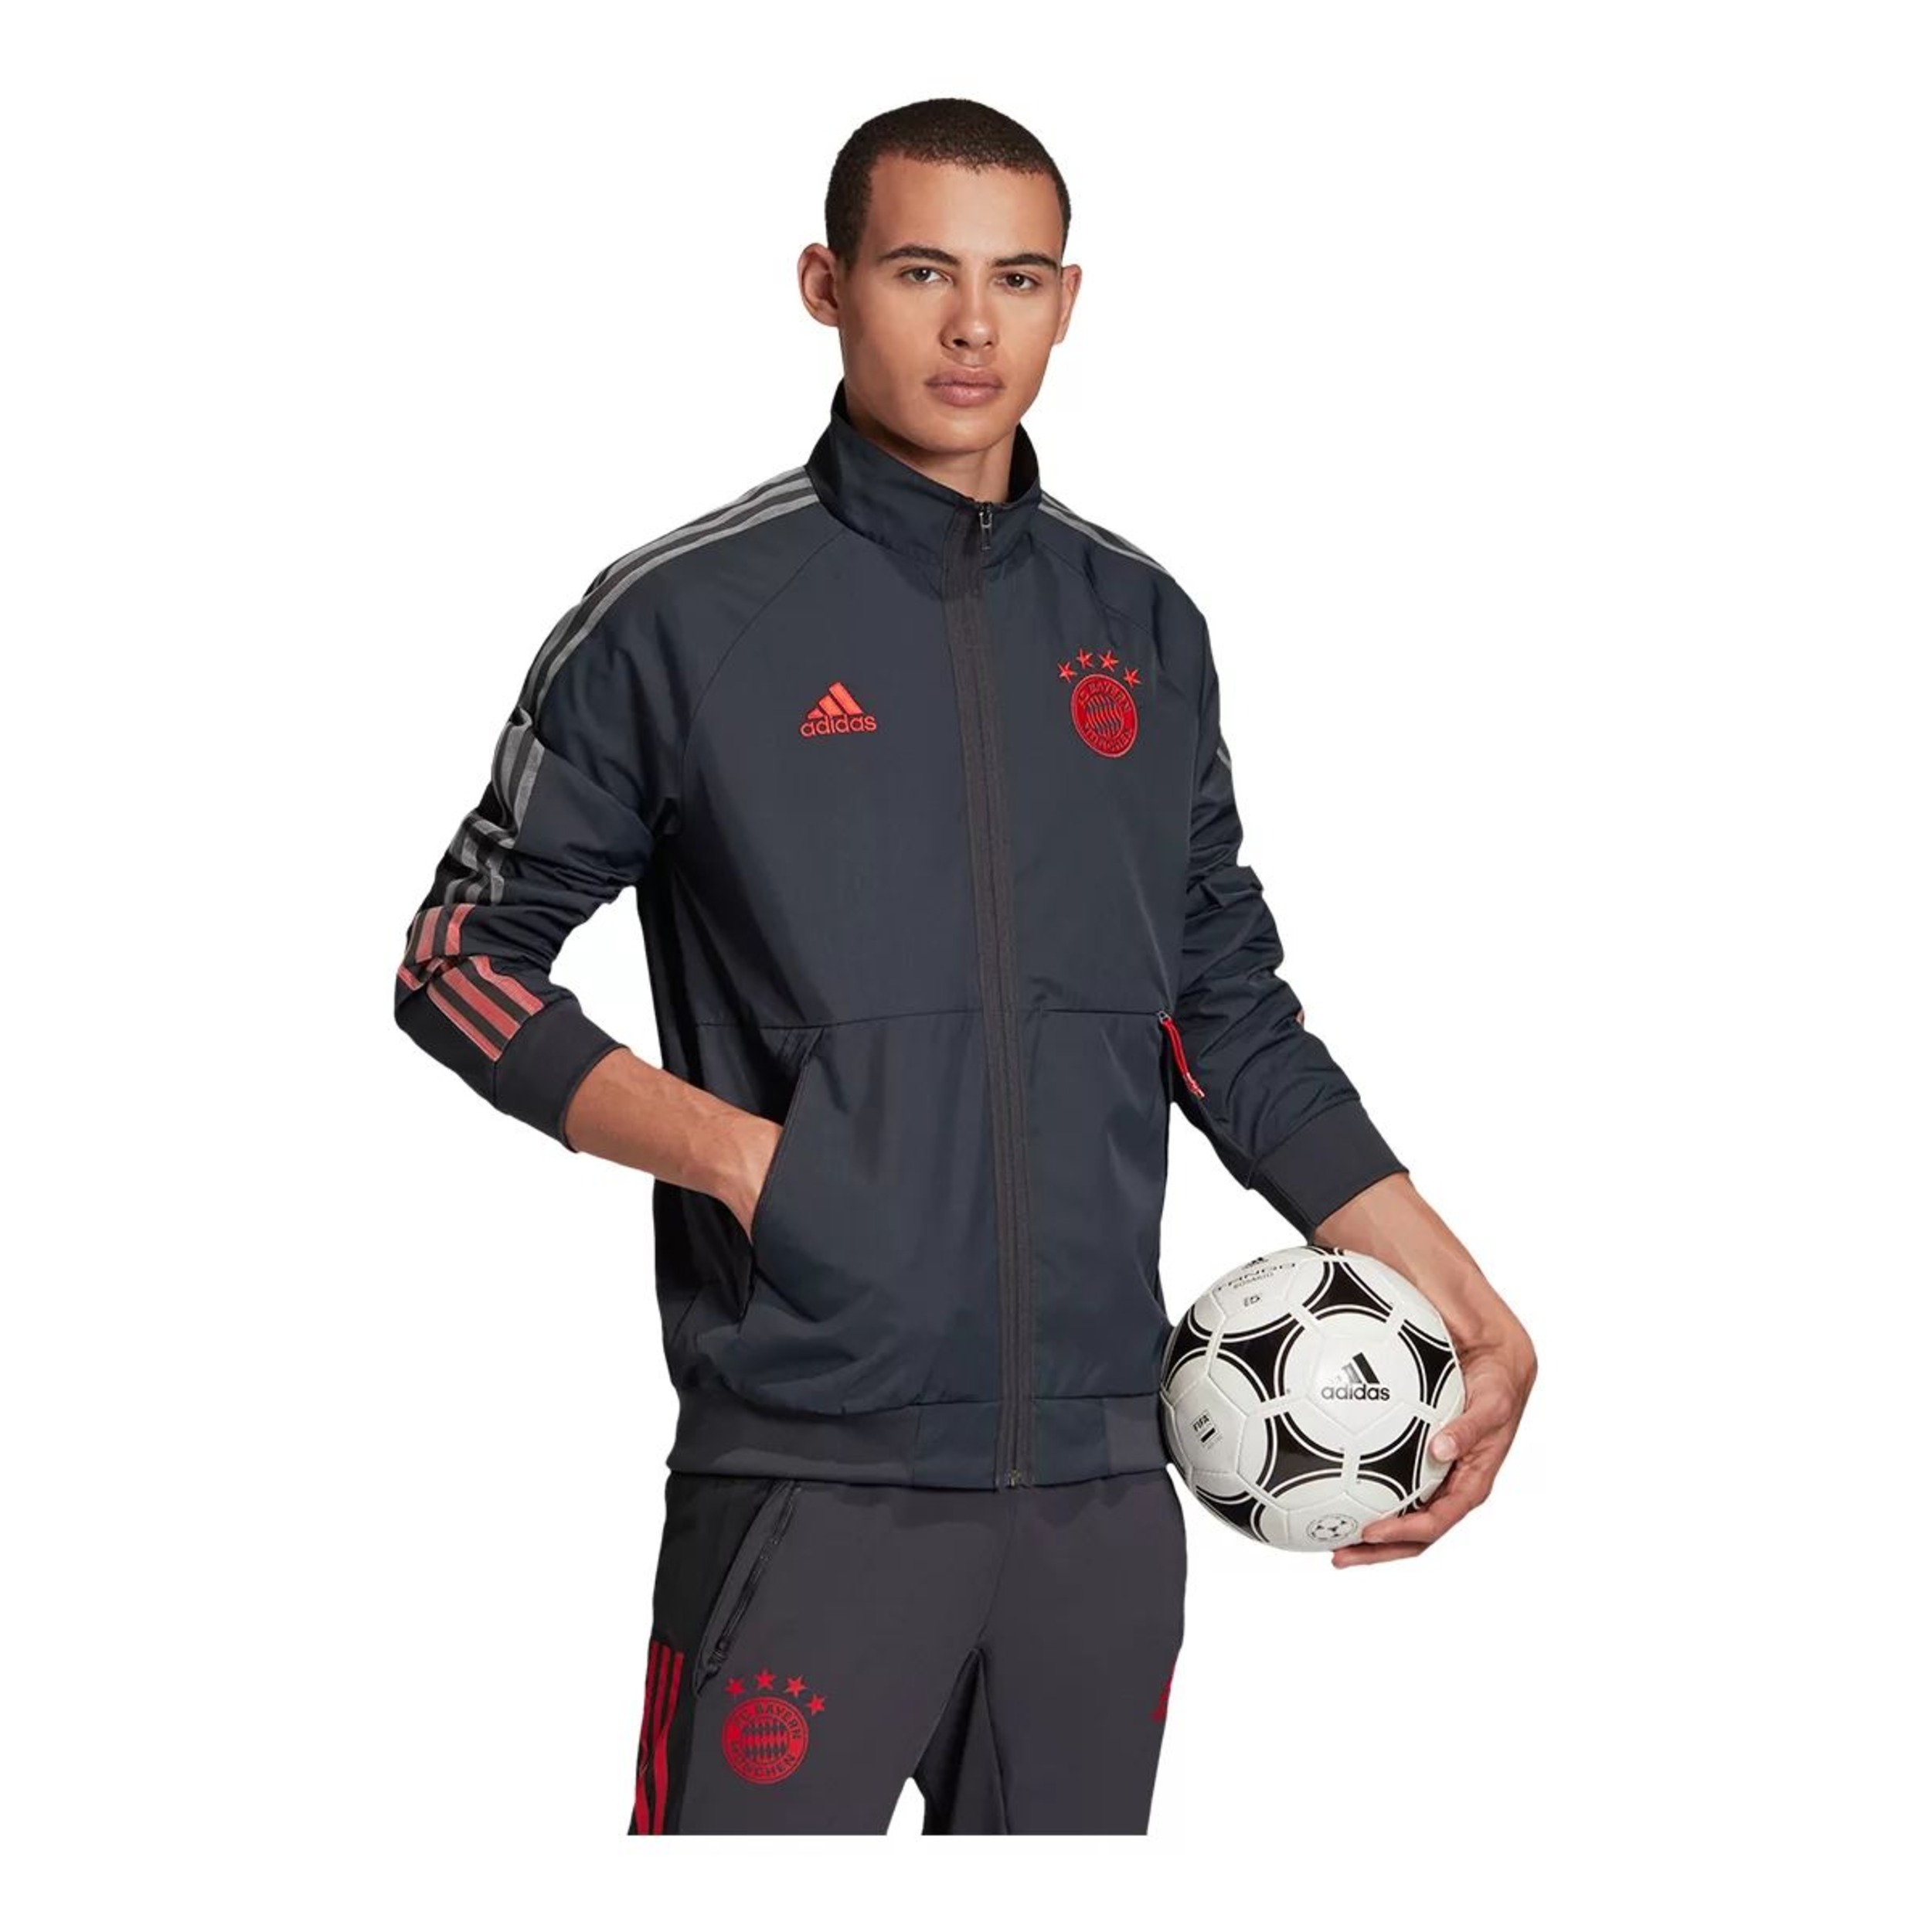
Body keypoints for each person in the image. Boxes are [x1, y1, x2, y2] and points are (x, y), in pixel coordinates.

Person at [392, 97, 1536, 1835]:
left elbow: (1222, 1007)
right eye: (922, 271)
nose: (972, 327)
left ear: (1068, 300)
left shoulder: (1142, 628)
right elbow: (459, 959)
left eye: (1017, 279)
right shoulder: (684, 618)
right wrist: (752, 1162)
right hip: (810, 1473)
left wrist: (1462, 1295)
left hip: (1104, 1486)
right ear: (826, 284)